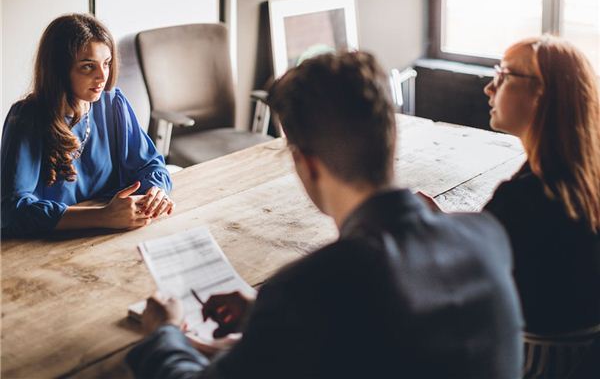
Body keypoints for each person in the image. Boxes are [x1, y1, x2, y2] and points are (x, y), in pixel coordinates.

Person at [126, 51, 523, 378]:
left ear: (306, 164)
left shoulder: (308, 290)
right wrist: (267, 320)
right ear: (389, 136)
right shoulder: (486, 237)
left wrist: (163, 334)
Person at [482, 36, 600, 378]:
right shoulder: (580, 180)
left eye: (504, 76)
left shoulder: (521, 202)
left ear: (542, 95)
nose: (490, 88)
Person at [1, 13, 174, 237]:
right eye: (87, 66)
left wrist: (156, 192)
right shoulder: (26, 119)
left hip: (110, 234)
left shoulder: (112, 103)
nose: (102, 76)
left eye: (107, 63)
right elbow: (12, 210)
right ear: (59, 70)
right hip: (48, 244)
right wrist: (103, 216)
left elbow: (150, 164)